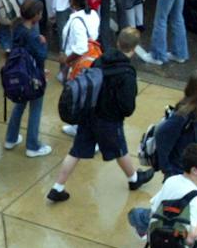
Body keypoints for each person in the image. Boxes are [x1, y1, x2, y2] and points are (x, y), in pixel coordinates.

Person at [47, 28, 156, 202]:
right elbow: (128, 107)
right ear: (134, 49)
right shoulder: (127, 73)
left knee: (76, 151)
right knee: (120, 149)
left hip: (89, 114)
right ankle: (134, 179)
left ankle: (57, 187)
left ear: (118, 43)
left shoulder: (100, 60)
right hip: (109, 119)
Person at [0, 0, 50, 158]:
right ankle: (32, 145)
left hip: (19, 74)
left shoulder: (18, 29)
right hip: (33, 76)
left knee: (20, 105)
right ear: (35, 15)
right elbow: (41, 56)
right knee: (36, 109)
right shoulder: (32, 36)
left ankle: (11, 138)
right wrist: (43, 43)